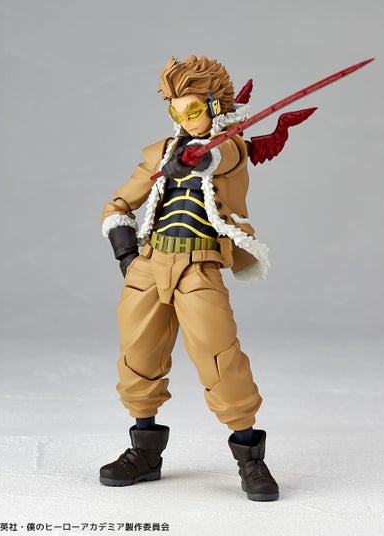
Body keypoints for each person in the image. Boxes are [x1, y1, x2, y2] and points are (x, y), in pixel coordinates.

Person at [99, 55, 278, 501]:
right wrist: (127, 256)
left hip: (198, 268)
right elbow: (118, 204)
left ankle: (251, 459)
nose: (183, 119)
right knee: (138, 357)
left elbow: (217, 157)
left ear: (216, 107)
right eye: (175, 111)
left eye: (193, 110)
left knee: (220, 358)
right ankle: (144, 454)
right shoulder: (161, 154)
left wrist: (195, 156)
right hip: (149, 265)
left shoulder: (230, 151)